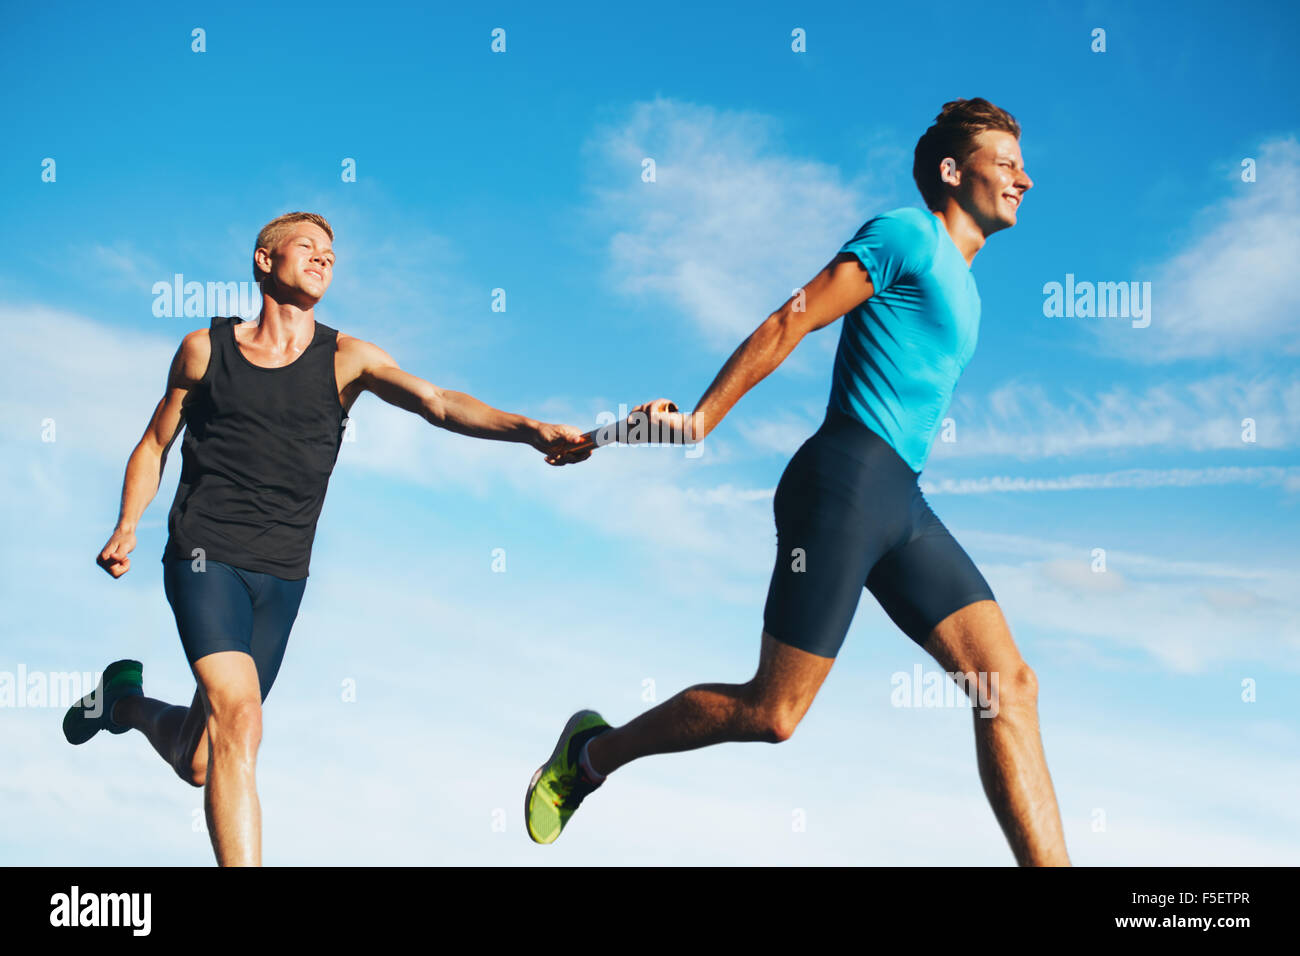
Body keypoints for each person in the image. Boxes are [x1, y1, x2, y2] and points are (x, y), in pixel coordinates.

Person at [527, 98, 1071, 865]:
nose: (1025, 178)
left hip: (903, 503)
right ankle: (591, 755)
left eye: (1022, 164)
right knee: (773, 712)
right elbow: (795, 317)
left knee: (1009, 685)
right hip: (843, 478)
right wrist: (702, 418)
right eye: (1006, 163)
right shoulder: (906, 233)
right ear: (953, 172)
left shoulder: (972, 292)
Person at [64, 212, 586, 866]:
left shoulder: (348, 359)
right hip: (205, 556)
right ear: (264, 260)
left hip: (282, 578)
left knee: (202, 759)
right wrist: (128, 523)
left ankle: (125, 701)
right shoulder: (205, 349)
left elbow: (438, 402)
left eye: (331, 254)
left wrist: (528, 428)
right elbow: (154, 442)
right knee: (243, 721)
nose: (322, 258)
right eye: (306, 248)